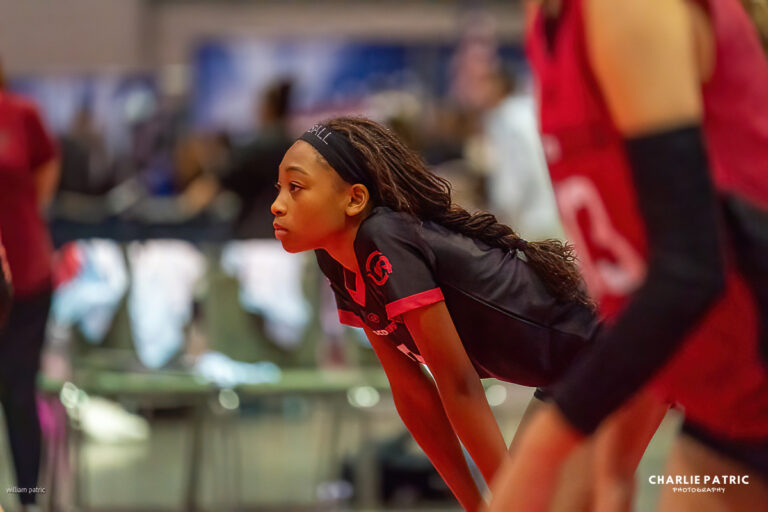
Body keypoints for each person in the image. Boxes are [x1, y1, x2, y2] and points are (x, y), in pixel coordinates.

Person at [271, 117, 664, 511]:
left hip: (618, 351)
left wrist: (506, 501)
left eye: (296, 187)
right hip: (572, 375)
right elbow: (414, 396)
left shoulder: (384, 236)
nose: (277, 204)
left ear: (354, 199)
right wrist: (476, 504)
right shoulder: (338, 262)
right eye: (279, 188)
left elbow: (457, 384)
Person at [488, 1, 768, 510]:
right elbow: (644, 287)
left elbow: (691, 272)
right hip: (725, 398)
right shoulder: (548, 23)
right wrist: (613, 459)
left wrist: (545, 447)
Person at [0, 58, 60, 512]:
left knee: (18, 393)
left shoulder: (21, 114)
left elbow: (46, 165)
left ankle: (27, 500)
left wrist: (28, 215)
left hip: (26, 278)